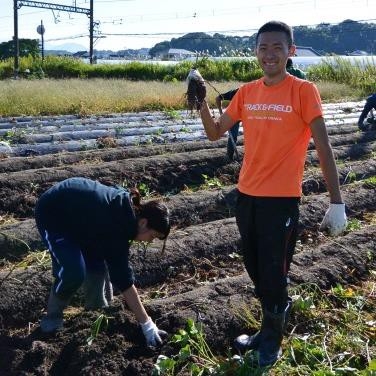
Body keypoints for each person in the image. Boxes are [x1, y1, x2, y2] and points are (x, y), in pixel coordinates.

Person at [188, 21, 347, 367]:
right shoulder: (247, 92)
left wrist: (337, 201)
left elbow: (323, 147)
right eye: (263, 48)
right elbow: (216, 132)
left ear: (290, 52)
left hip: (282, 200)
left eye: (277, 47)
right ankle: (269, 324)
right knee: (254, 266)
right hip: (247, 195)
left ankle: (272, 338)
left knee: (274, 271)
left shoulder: (304, 91)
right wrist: (200, 100)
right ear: (256, 52)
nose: (269, 54)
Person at [35, 177, 170, 347]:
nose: (149, 241)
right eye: (152, 236)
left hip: (85, 222)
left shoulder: (127, 214)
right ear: (143, 223)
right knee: (73, 271)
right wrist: (147, 324)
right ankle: (52, 316)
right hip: (54, 214)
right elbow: (124, 280)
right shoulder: (118, 225)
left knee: (97, 265)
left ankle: (95, 312)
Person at [216, 89, 240, 160]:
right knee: (233, 135)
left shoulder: (255, 93)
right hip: (234, 116)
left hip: (249, 116)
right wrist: (220, 112)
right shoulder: (235, 92)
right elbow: (218, 98)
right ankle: (229, 156)